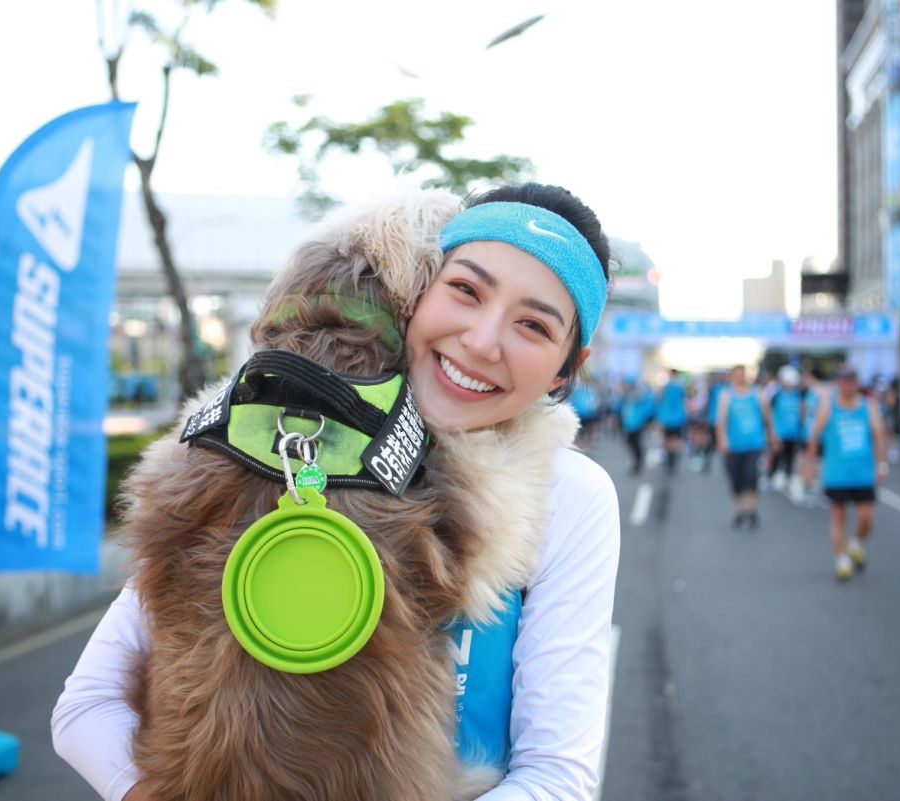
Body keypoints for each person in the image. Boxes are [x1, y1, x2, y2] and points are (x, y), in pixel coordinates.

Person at [52, 183, 622, 800]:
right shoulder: (270, 438)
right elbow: (87, 706)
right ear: (418, 294)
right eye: (465, 290)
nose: (482, 342)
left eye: (533, 325)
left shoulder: (569, 495)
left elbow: (556, 778)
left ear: (566, 368)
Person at [804, 364, 888, 581]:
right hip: (837, 474)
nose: (847, 385)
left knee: (866, 518)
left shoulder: (869, 406)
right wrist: (810, 466)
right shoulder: (829, 407)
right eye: (843, 381)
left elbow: (879, 435)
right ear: (838, 383)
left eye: (851, 381)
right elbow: (814, 436)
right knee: (839, 516)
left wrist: (882, 464)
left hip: (863, 473)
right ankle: (842, 558)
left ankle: (856, 542)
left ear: (857, 383)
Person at [716, 364, 779, 528]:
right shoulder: (727, 396)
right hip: (734, 445)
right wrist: (722, 440)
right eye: (736, 374)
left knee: (751, 476)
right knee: (736, 478)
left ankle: (752, 510)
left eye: (742, 374)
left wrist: (773, 435)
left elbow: (768, 416)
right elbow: (721, 421)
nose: (740, 377)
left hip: (754, 443)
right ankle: (740, 511)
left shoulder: (757, 394)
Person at [766, 364, 805, 500]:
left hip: (793, 434)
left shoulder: (798, 396)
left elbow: (802, 413)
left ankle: (787, 479)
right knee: (776, 456)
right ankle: (770, 477)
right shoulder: (777, 396)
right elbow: (770, 414)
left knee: (790, 458)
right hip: (779, 433)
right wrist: (772, 433)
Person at [619, 377, 655, 474]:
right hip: (631, 423)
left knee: (635, 443)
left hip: (637, 423)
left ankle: (638, 463)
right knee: (632, 442)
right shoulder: (628, 395)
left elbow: (648, 407)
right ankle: (637, 462)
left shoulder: (638, 394)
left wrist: (647, 420)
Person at [655, 368, 689, 474]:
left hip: (668, 418)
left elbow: (659, 399)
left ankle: (670, 458)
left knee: (668, 440)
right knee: (675, 440)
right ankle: (673, 459)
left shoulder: (666, 387)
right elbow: (684, 402)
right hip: (677, 418)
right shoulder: (681, 387)